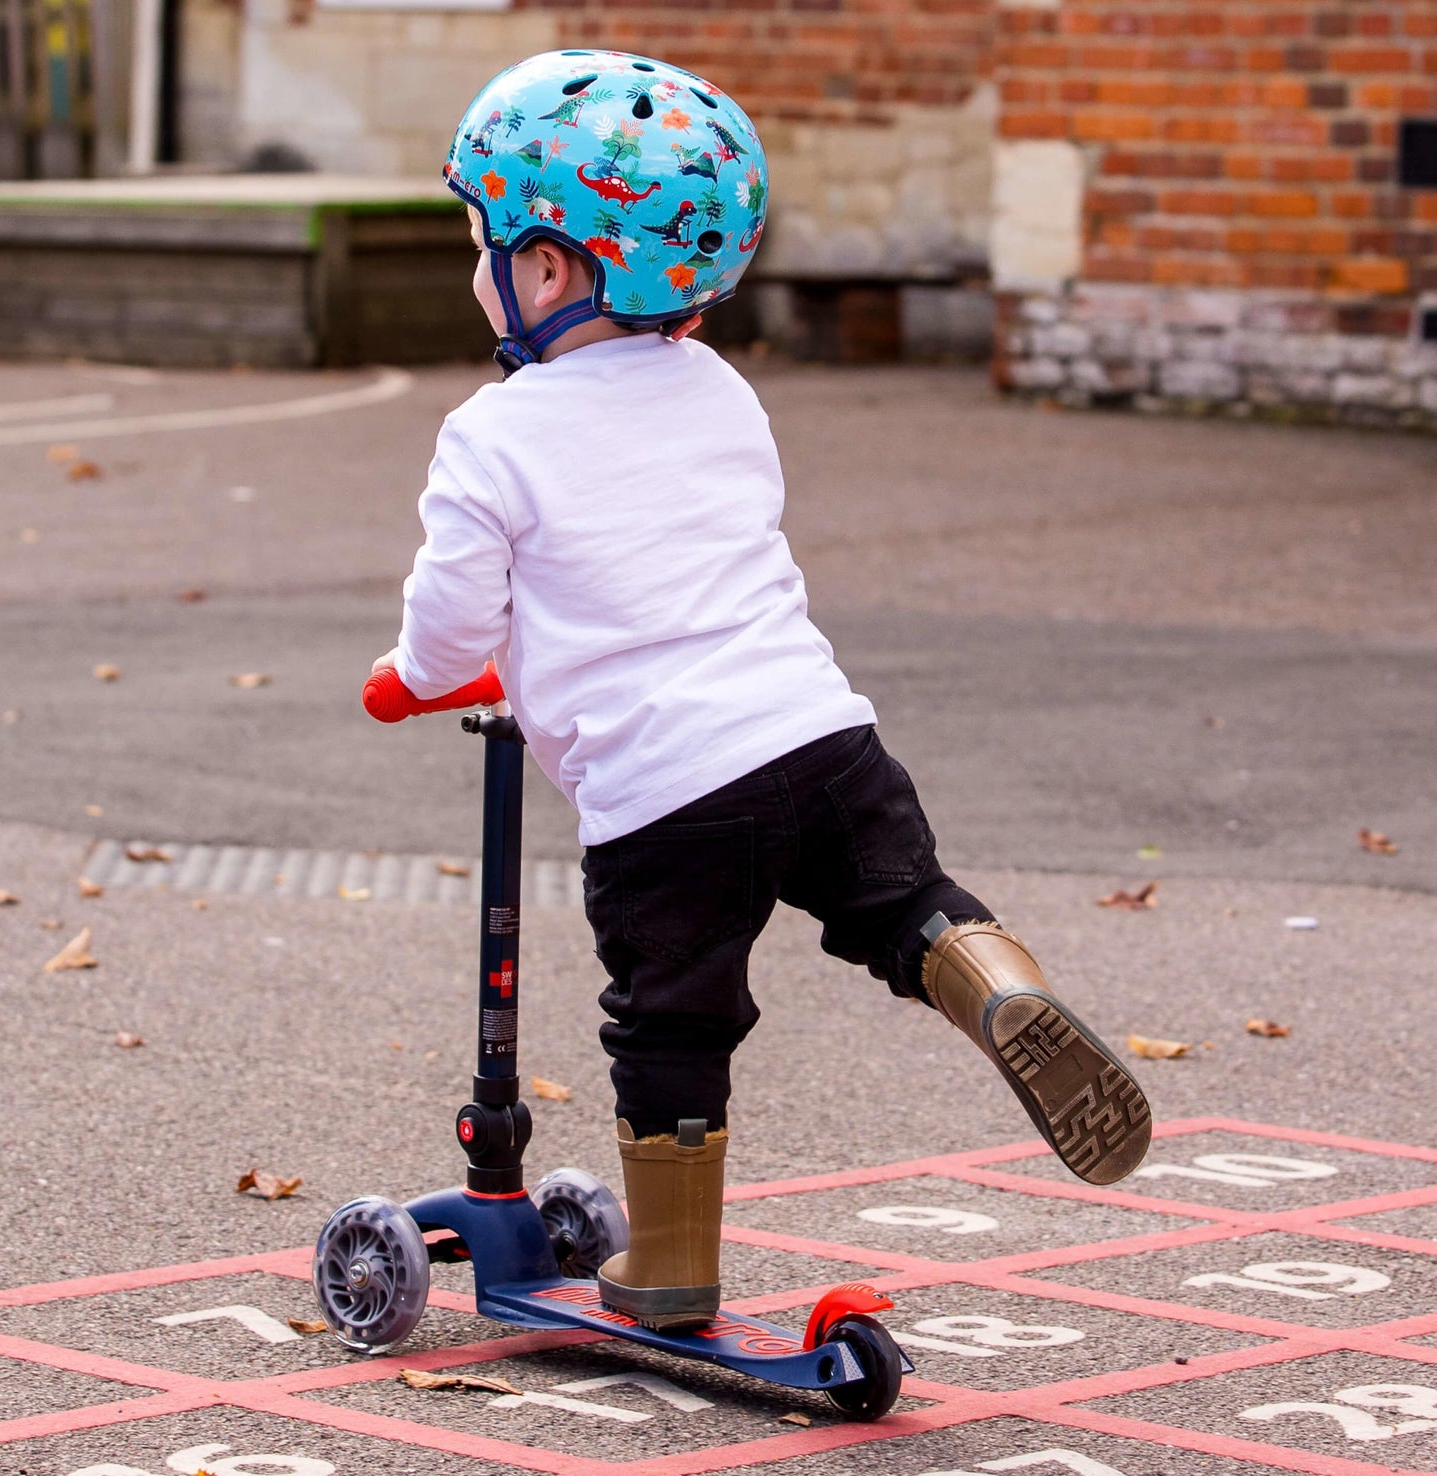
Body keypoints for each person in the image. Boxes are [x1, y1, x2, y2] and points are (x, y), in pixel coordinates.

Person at [373, 49, 1152, 1335]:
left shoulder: (494, 433)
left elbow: (454, 617)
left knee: (672, 1021)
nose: (476, 273)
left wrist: (414, 676)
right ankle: (989, 978)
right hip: (820, 736)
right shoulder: (723, 390)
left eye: (483, 243)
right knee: (900, 897)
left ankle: (669, 1266)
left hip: (667, 792)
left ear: (552, 267)